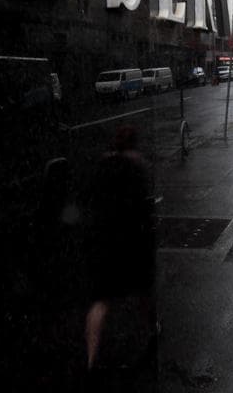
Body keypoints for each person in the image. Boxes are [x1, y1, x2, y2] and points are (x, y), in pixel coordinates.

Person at [85, 126, 156, 378]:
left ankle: (91, 359)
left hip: (106, 241)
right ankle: (151, 333)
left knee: (100, 302)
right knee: (143, 293)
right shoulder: (138, 167)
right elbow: (144, 206)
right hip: (131, 242)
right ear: (134, 145)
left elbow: (92, 201)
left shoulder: (102, 165)